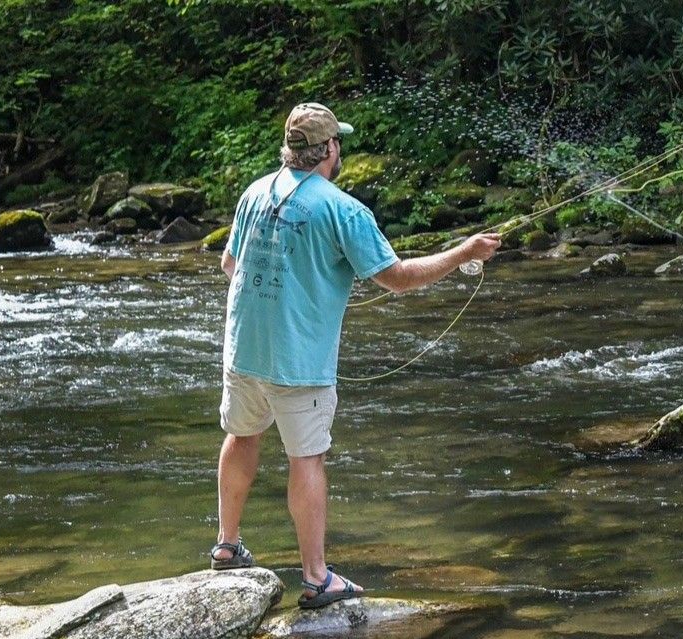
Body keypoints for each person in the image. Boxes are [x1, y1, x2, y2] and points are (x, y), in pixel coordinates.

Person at [210, 102, 500, 609]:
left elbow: (230, 264)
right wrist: (464, 253)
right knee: (308, 459)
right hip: (298, 363)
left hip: (243, 351)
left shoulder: (255, 192)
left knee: (242, 435)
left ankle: (227, 546)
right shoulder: (342, 208)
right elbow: (399, 279)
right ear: (331, 150)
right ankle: (317, 578)